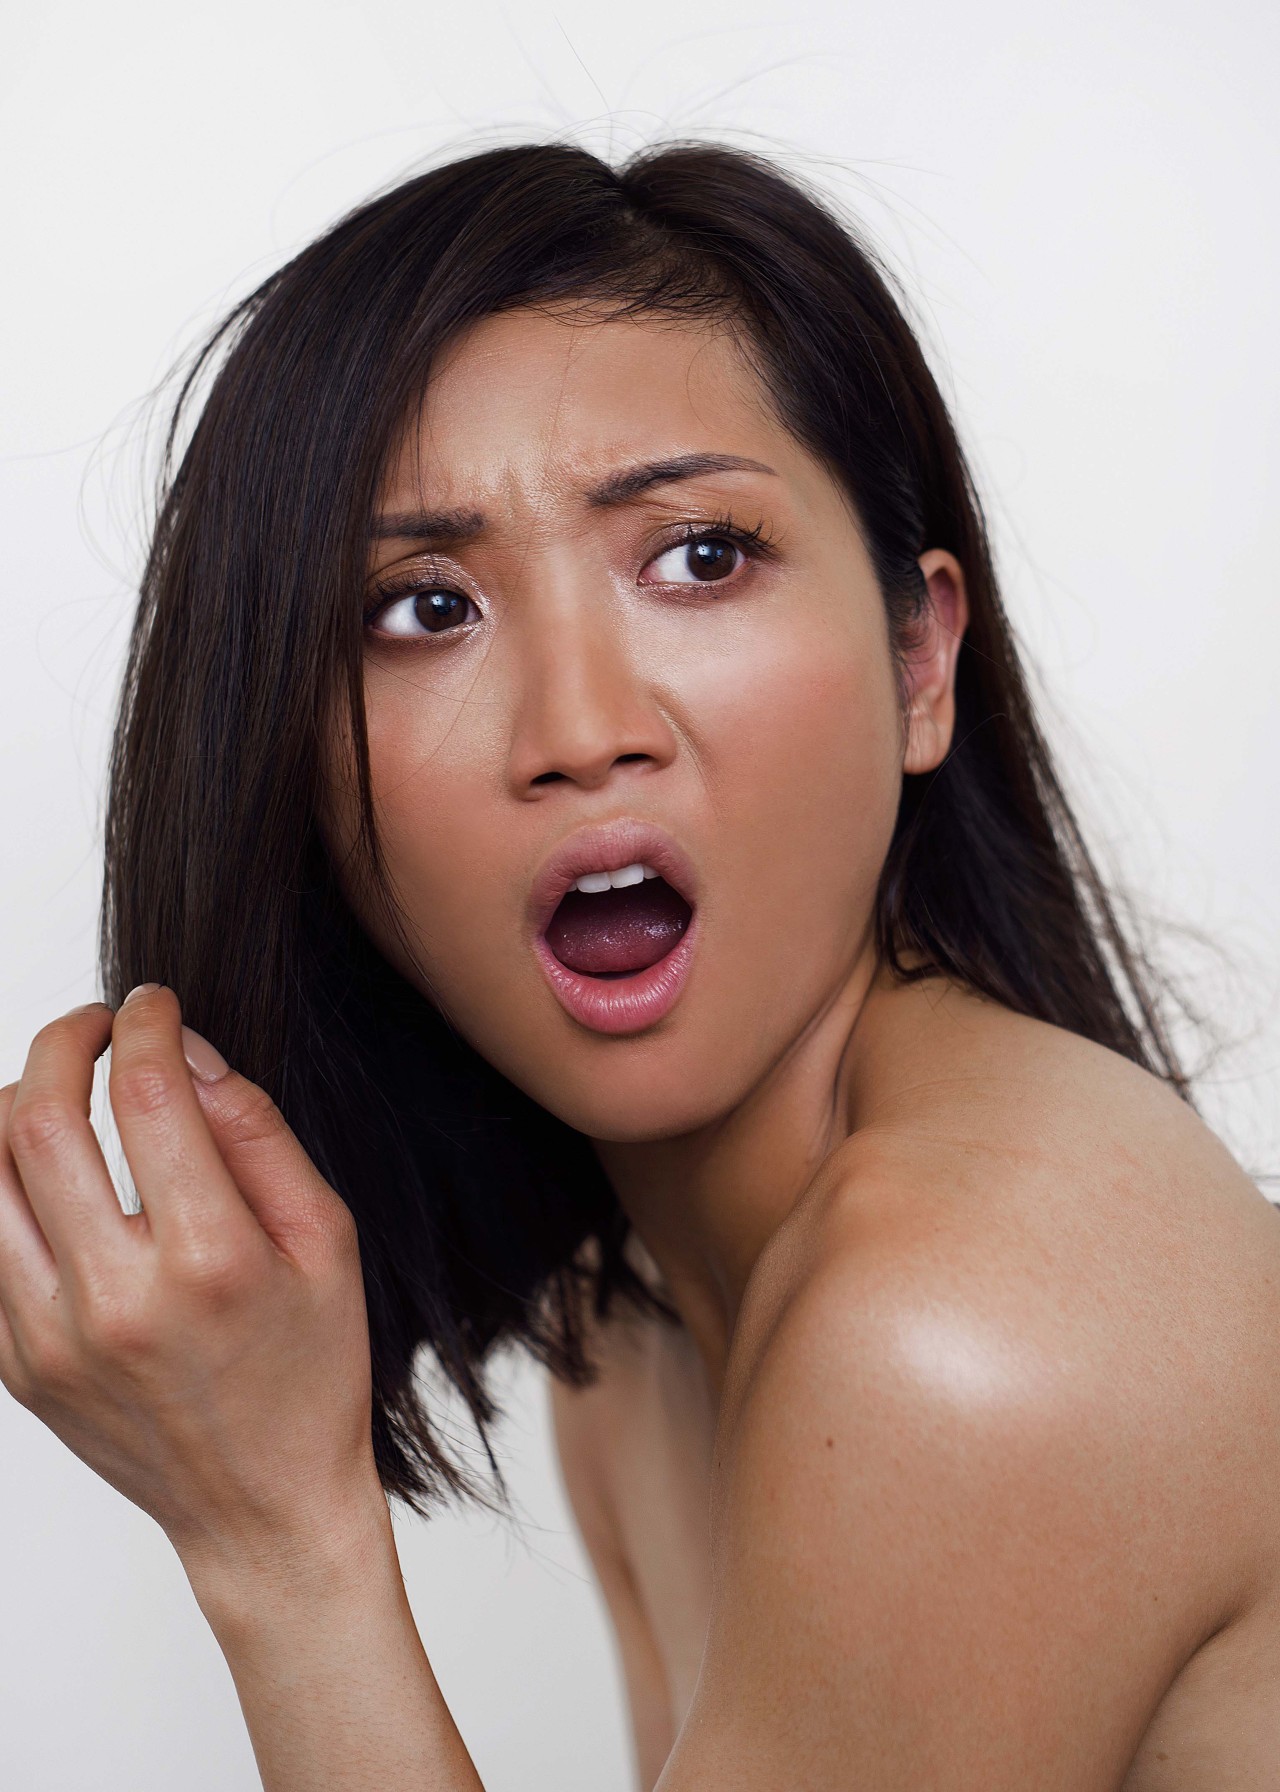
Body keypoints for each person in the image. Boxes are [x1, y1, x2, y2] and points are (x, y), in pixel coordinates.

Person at [0, 139, 1275, 1791]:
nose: (581, 726)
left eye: (699, 556)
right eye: (424, 608)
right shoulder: (634, 1343)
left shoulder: (969, 1329)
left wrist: (284, 1550)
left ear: (919, 660)